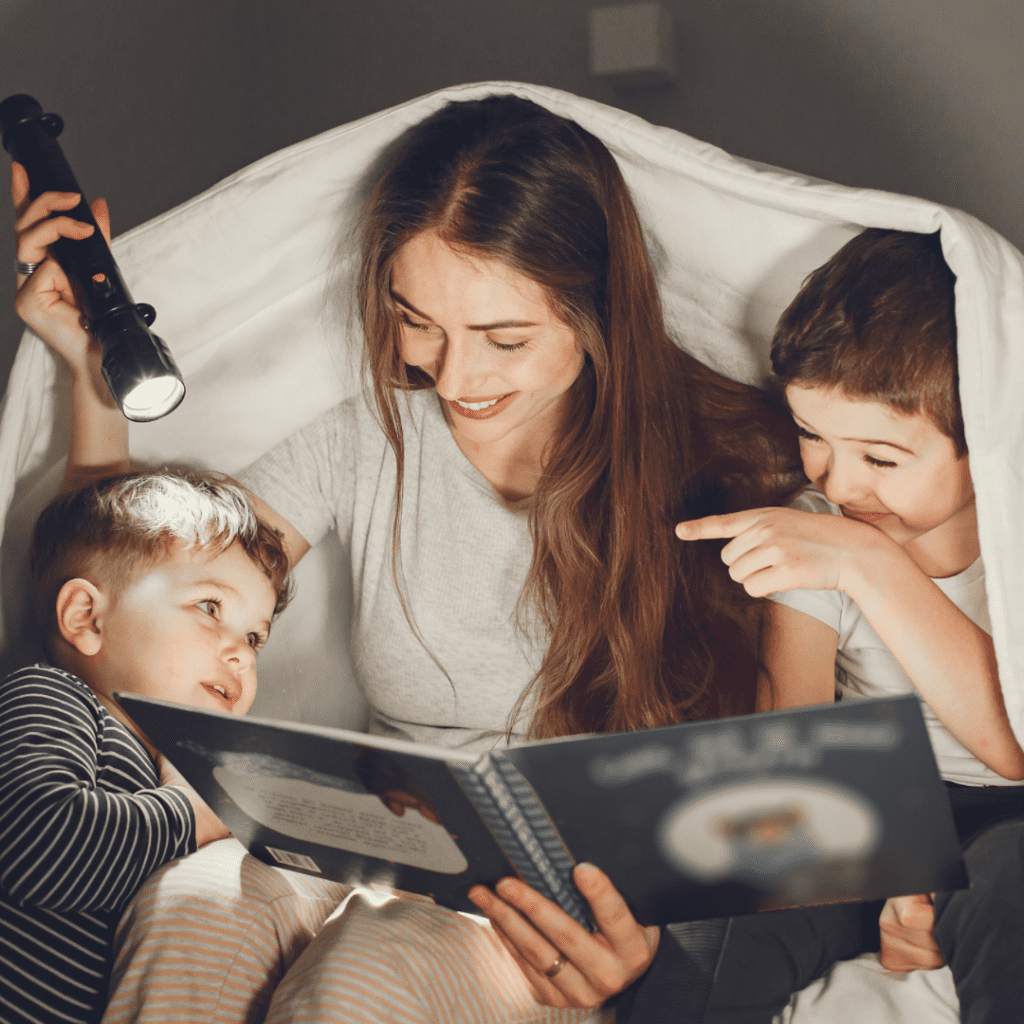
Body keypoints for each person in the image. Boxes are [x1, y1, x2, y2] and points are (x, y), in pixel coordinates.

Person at [10, 95, 926, 1022]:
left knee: (363, 974)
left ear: (595, 313)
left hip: (564, 899)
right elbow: (141, 581)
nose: (453, 378)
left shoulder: (751, 466)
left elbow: (813, 776)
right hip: (372, 844)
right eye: (419, 322)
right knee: (190, 904)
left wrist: (665, 956)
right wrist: (93, 380)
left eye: (504, 338)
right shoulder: (370, 440)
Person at [669, 228, 1024, 1023]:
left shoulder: (994, 532)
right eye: (812, 437)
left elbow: (1012, 747)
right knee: (717, 921)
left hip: (1012, 811)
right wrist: (892, 863)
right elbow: (795, 736)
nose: (838, 479)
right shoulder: (816, 519)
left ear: (989, 442)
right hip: (871, 797)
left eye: (884, 458)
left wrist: (867, 563)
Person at [0, 469, 291, 1024]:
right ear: (86, 617)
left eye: (256, 637)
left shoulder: (182, 771)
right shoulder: (56, 695)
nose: (243, 655)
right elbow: (30, 840)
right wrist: (193, 814)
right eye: (210, 607)